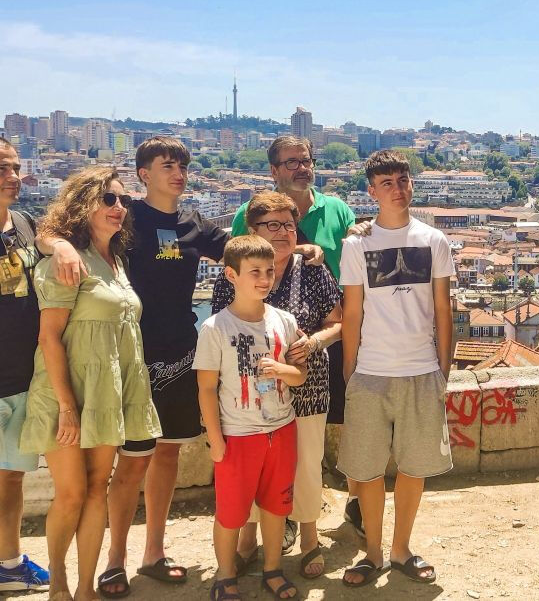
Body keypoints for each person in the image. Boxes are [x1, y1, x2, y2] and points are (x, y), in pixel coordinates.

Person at [39, 137, 325, 596]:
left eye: (183, 166)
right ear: (143, 174)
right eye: (167, 165)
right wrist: (59, 246)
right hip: (128, 360)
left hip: (178, 359)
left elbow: (248, 249)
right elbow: (53, 229)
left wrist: (305, 247)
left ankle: (153, 553)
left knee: (166, 456)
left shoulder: (194, 224)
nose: (178, 173)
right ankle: (115, 560)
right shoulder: (123, 215)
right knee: (127, 467)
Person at [20, 167, 162, 601]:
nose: (118, 208)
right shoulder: (67, 260)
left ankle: (86, 588)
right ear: (84, 204)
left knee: (98, 488)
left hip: (107, 392)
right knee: (71, 493)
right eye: (107, 199)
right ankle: (58, 583)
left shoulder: (117, 262)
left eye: (121, 201)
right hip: (69, 392)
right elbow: (48, 338)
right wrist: (66, 406)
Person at [229, 135, 363, 537]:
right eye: (291, 162)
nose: (301, 168)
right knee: (277, 434)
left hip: (332, 333)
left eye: (306, 161)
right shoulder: (246, 214)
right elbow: (239, 261)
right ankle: (282, 516)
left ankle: (355, 504)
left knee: (347, 418)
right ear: (273, 170)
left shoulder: (337, 209)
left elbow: (358, 254)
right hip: (270, 346)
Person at [337, 149, 454, 588]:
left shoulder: (434, 240)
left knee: (413, 466)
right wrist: (350, 372)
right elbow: (352, 312)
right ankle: (371, 552)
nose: (398, 188)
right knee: (365, 469)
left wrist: (443, 369)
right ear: (372, 192)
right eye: (387, 182)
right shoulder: (356, 244)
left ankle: (401, 549)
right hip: (370, 371)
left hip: (421, 370)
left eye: (402, 180)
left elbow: (444, 308)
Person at [212, 192, 342, 578]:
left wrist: (315, 341)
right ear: (253, 230)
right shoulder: (232, 273)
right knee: (254, 467)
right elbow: (222, 325)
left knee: (306, 465)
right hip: (250, 394)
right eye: (274, 225)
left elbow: (339, 321)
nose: (284, 232)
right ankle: (248, 540)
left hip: (308, 384)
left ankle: (309, 538)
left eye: (289, 224)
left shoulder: (314, 269)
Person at [195, 235, 307, 601]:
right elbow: (206, 389)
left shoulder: (284, 321)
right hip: (238, 435)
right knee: (231, 514)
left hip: (281, 429)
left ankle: (272, 569)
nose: (264, 279)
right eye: (254, 271)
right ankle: (225, 576)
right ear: (231, 275)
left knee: (277, 508)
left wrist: (281, 370)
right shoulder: (215, 328)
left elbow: (300, 376)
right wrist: (215, 439)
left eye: (269, 271)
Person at [0, 138, 49, 593]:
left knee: (11, 478)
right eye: (3, 169)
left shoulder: (23, 223)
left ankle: (10, 563)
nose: (13, 176)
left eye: (15, 167)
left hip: (20, 379)